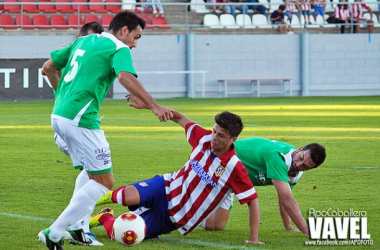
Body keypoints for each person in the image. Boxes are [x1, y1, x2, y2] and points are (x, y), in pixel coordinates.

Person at [38, 11, 173, 250]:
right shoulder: (119, 48)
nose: (135, 43)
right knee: (104, 181)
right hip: (81, 119)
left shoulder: (83, 40)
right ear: (123, 31)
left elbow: (48, 67)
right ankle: (55, 232)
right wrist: (155, 106)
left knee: (89, 172)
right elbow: (124, 76)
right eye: (136, 37)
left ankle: (78, 228)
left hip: (59, 115)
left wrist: (62, 96)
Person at [93, 97, 265, 245]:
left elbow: (252, 201)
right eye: (214, 131)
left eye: (221, 135)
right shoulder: (203, 138)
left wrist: (253, 237)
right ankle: (89, 200)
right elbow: (179, 118)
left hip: (174, 216)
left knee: (125, 236)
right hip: (166, 186)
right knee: (126, 196)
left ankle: (105, 217)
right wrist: (152, 106)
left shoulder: (234, 167)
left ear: (232, 139)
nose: (214, 137)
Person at [202, 137, 326, 237]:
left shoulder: (295, 172)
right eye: (301, 158)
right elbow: (286, 200)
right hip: (222, 163)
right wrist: (306, 230)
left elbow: (284, 196)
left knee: (215, 226)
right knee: (193, 199)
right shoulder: (278, 158)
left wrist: (288, 226)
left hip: (234, 180)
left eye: (305, 166)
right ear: (300, 149)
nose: (298, 164)